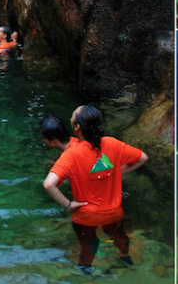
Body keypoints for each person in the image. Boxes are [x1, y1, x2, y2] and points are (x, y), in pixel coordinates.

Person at [42, 105, 149, 272]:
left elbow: (49, 184)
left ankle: (86, 272)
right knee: (119, 236)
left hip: (86, 216)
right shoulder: (113, 144)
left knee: (88, 244)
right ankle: (124, 258)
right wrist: (117, 172)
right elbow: (143, 158)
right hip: (114, 212)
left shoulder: (71, 154)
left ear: (76, 127)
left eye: (72, 115)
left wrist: (68, 204)